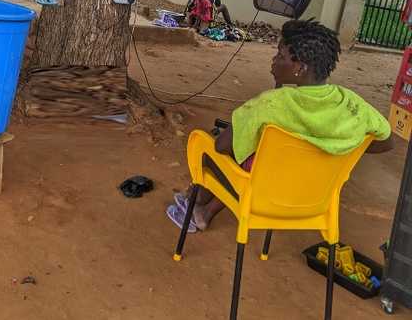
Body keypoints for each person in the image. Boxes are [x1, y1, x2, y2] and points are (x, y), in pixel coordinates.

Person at [166, 19, 392, 233]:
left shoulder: (269, 104)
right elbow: (386, 141)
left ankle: (195, 203)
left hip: (266, 192)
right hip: (311, 194)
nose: (274, 59)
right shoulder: (352, 104)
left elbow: (222, 147)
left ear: (300, 68)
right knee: (259, 153)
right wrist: (345, 148)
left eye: (280, 55)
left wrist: (278, 93)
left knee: (214, 149)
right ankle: (201, 209)